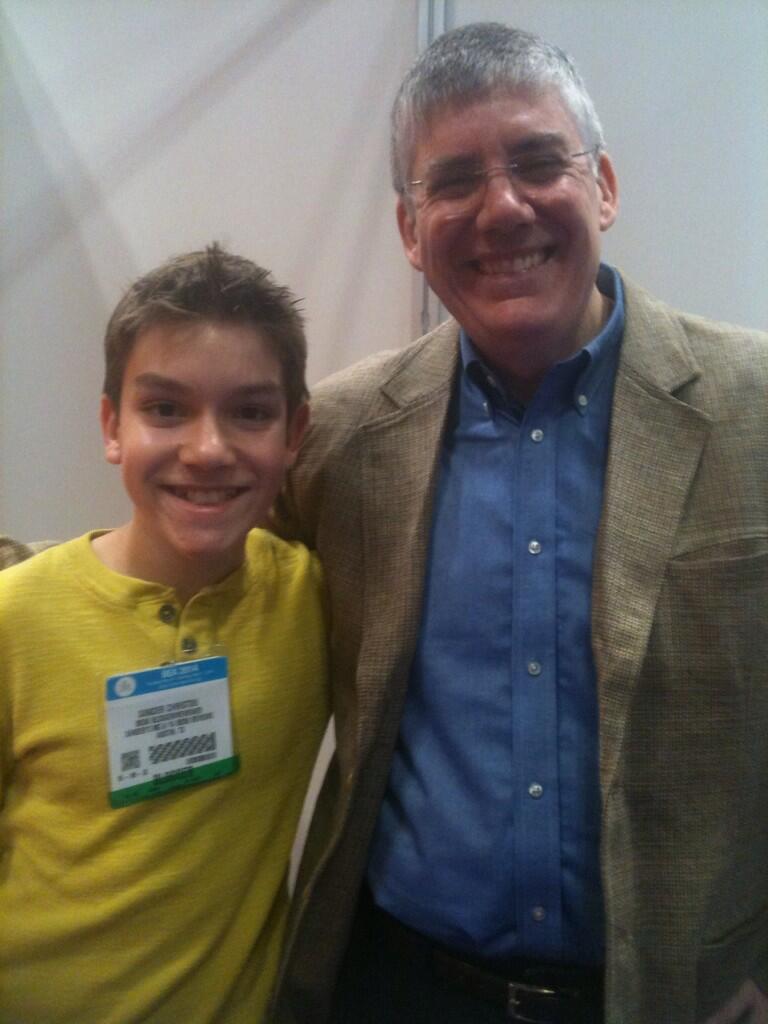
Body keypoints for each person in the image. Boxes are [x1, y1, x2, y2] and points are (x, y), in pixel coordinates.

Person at [269, 22, 768, 1024]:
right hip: (398, 989)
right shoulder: (342, 437)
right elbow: (186, 572)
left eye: (540, 163)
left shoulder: (754, 410)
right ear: (410, 230)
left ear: (604, 187)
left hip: (677, 997)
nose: (502, 207)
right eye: (453, 181)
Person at [0, 244, 329, 1023]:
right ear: (112, 424)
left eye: (250, 412)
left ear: (295, 432)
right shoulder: (16, 619)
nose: (208, 449)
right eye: (166, 410)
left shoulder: (314, 600)